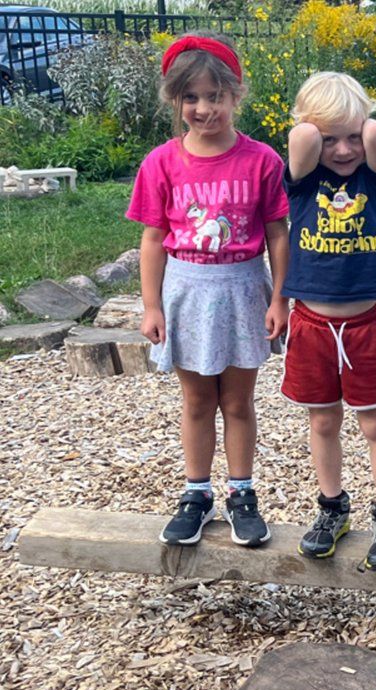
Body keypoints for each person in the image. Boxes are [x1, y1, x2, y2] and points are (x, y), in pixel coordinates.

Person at [128, 32, 289, 547]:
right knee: (198, 400)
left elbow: (277, 233)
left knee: (238, 401)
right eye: (190, 98)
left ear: (235, 95)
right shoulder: (161, 163)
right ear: (175, 100)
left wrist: (280, 296)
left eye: (215, 96)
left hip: (243, 288)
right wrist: (151, 304)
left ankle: (241, 494)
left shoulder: (262, 160)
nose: (203, 108)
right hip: (187, 290)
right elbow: (152, 239)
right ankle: (196, 494)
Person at [281, 72, 376, 572]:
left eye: (350, 135)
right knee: (324, 420)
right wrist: (317, 129)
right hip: (310, 323)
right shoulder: (303, 182)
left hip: (362, 325)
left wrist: (358, 124)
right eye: (330, 138)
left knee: (374, 422)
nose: (343, 148)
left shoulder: (373, 181)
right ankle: (332, 508)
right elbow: (301, 140)